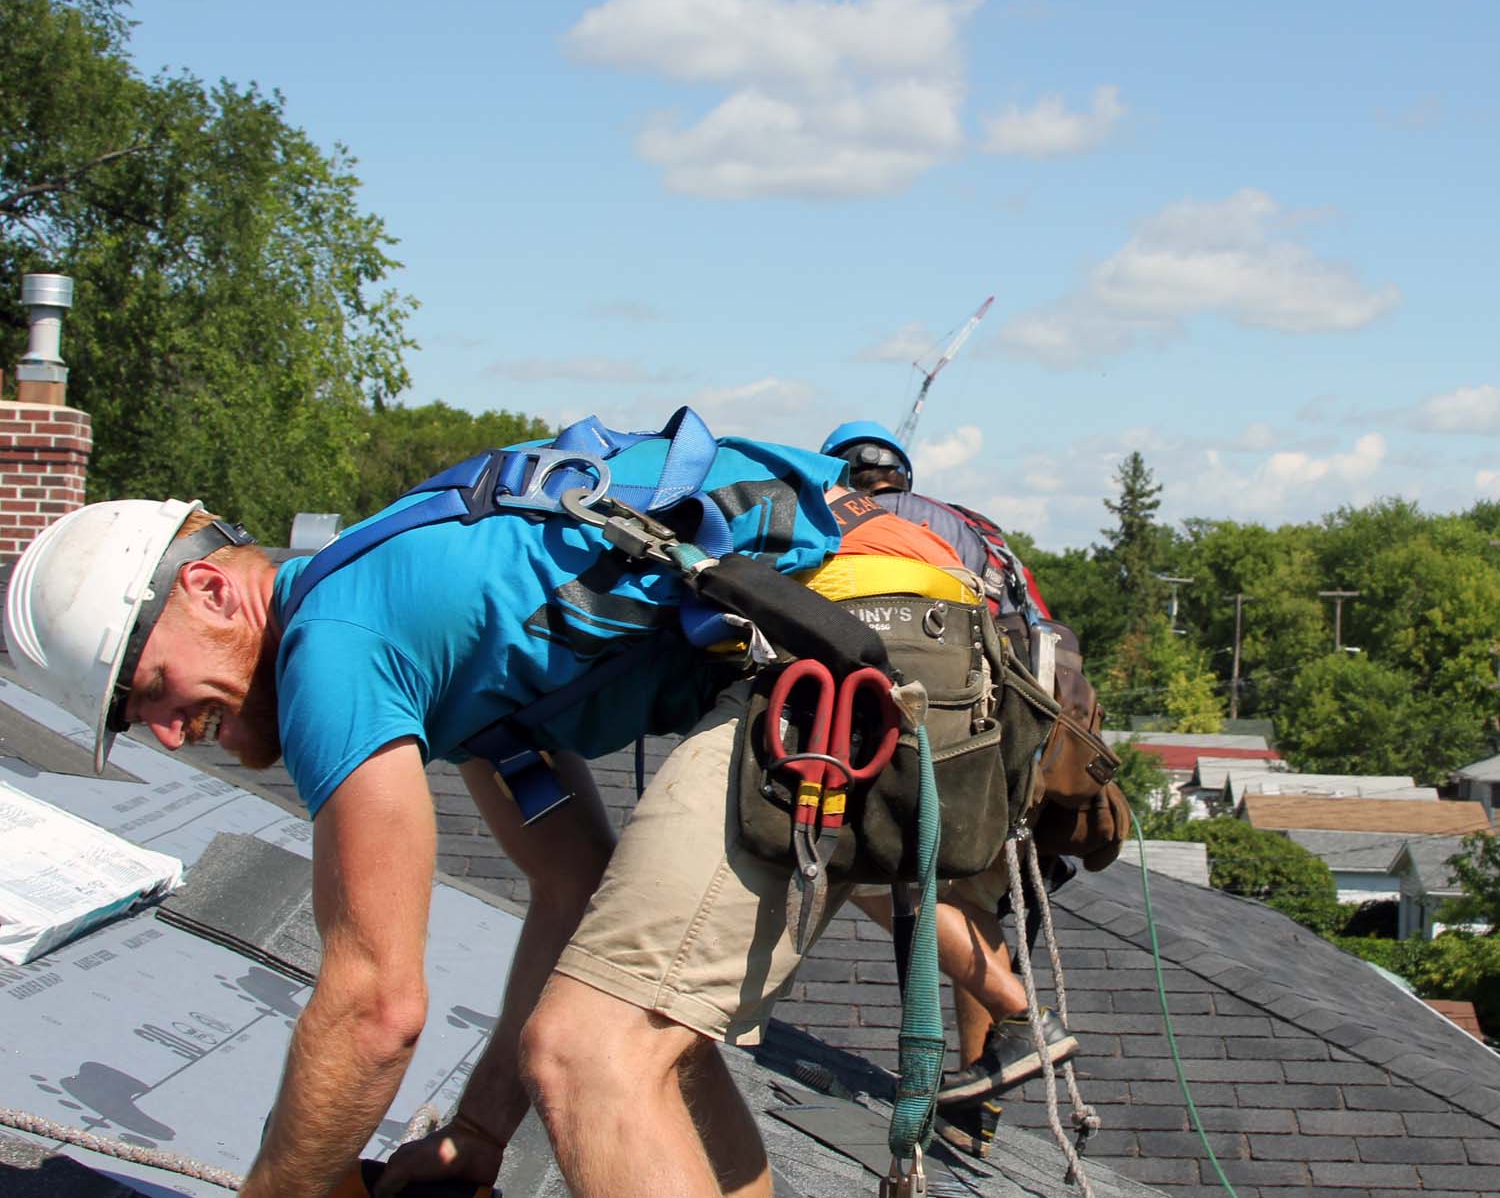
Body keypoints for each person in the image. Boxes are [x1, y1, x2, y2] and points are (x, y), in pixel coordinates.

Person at [4, 410, 1022, 1198]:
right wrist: (478, 1136)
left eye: (149, 691)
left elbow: (373, 1011)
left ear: (212, 592)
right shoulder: (435, 650)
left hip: (851, 639)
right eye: (140, 726)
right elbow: (572, 888)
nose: (172, 734)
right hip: (879, 634)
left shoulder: (334, 650)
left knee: (588, 1051)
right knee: (648, 1041)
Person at [819, 421, 1080, 1112]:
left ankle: (1016, 1017)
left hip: (959, 732)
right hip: (1030, 739)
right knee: (968, 896)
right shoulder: (977, 527)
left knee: (857, 858)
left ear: (843, 476)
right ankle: (981, 1090)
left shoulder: (866, 525)